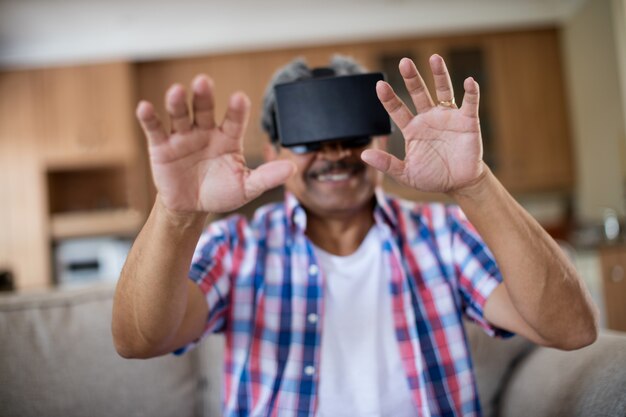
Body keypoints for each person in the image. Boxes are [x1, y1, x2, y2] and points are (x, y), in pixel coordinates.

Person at [112, 54, 599, 417]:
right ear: (272, 148)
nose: (337, 154)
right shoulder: (237, 247)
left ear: (380, 139)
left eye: (353, 136)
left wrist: (474, 185)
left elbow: (572, 329)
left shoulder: (442, 236)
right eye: (310, 139)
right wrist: (177, 213)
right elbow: (138, 340)